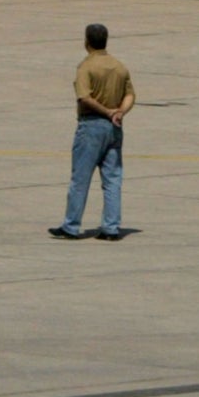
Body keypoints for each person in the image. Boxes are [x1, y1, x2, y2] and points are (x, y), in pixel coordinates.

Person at [48, 24, 134, 241]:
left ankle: (71, 225)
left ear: (86, 42)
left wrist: (106, 112)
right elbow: (131, 95)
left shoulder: (86, 67)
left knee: (81, 177)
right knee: (113, 178)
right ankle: (111, 227)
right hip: (115, 127)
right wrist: (120, 112)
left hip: (92, 125)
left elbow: (84, 97)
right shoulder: (119, 66)